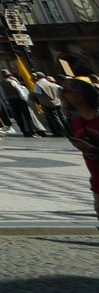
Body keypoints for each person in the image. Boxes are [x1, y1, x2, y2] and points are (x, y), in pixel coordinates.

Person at [62, 78, 99, 224]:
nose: (62, 95)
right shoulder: (76, 122)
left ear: (78, 96)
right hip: (97, 183)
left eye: (65, 92)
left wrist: (92, 149)